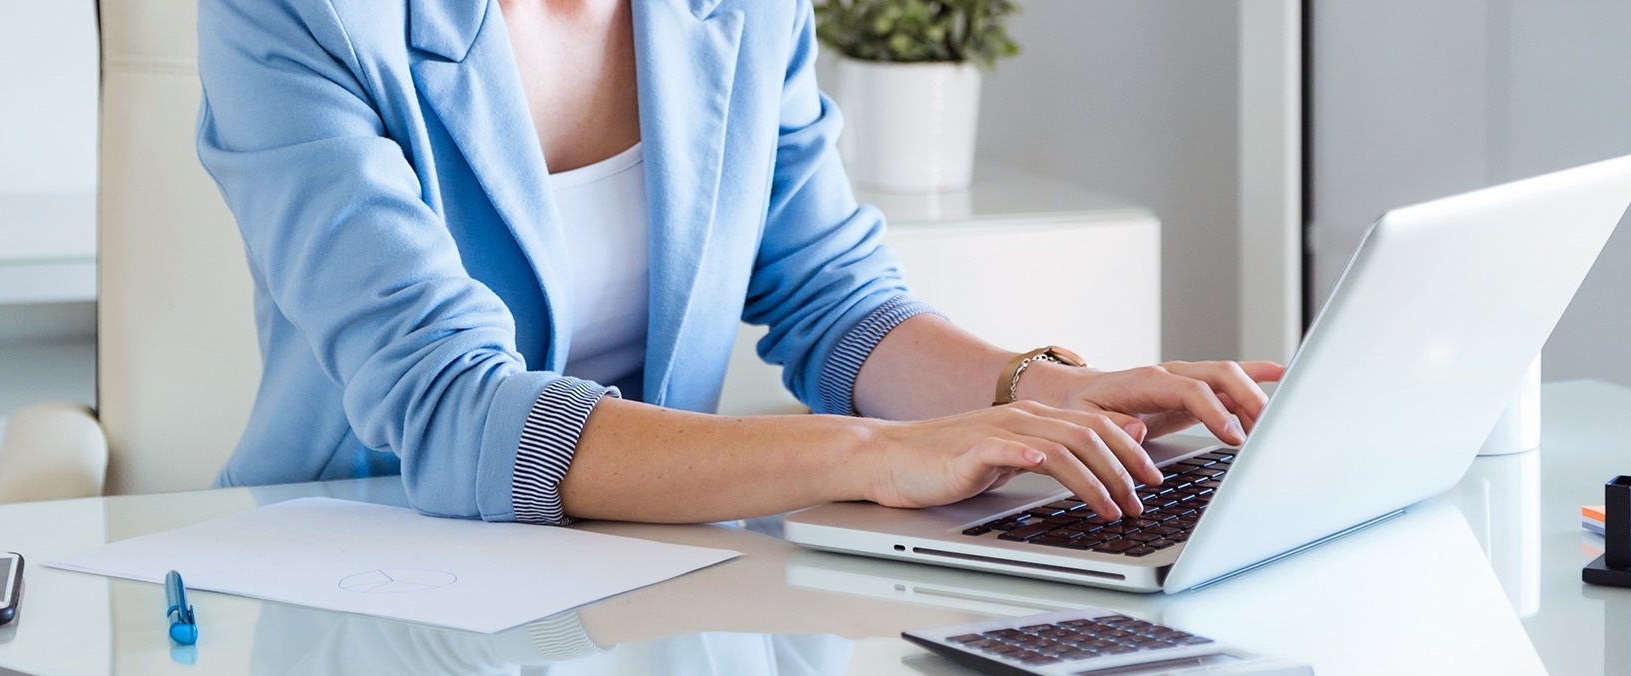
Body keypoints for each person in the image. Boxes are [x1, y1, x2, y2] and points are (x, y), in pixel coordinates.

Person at [195, 0, 1284, 526]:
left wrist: (1039, 391)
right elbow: (447, 403)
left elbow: (830, 295)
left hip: (640, 562)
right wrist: (869, 452)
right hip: (361, 570)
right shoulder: (299, 13)